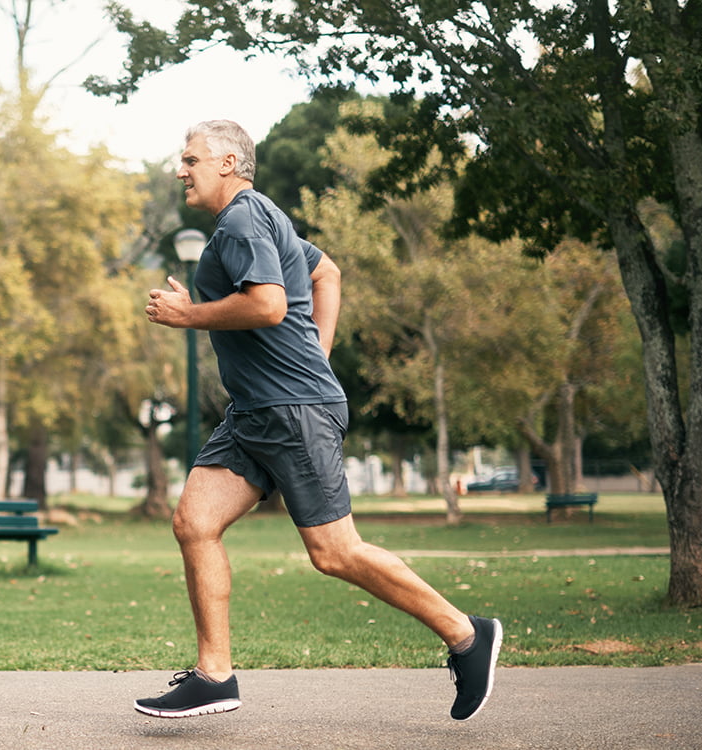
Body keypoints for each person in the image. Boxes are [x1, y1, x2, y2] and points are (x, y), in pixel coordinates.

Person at [136, 120, 500, 721]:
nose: (181, 169)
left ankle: (467, 634)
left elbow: (269, 304)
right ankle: (214, 676)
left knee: (334, 552)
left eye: (191, 158)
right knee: (194, 522)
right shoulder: (257, 219)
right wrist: (318, 354)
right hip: (257, 411)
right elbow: (325, 272)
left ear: (229, 163)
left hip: (292, 412)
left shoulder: (244, 218)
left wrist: (189, 315)